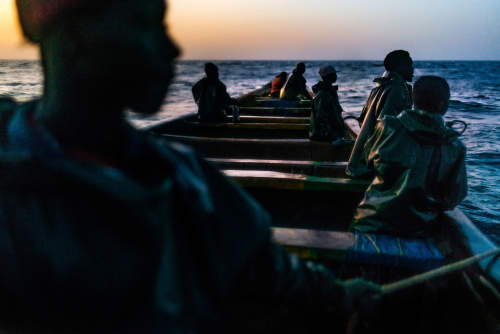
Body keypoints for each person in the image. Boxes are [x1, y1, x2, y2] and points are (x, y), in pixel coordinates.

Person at [1, 0, 379, 333]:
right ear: (72, 37)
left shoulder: (186, 178)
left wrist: (341, 297)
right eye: (145, 24)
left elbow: (273, 274)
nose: (171, 47)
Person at [350, 76, 467, 236]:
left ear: (413, 99)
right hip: (421, 229)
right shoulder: (455, 146)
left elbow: (368, 159)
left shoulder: (387, 126)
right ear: (443, 105)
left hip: (370, 221)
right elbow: (454, 197)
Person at [346, 50, 414, 178]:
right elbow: (388, 130)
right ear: (399, 67)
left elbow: (361, 120)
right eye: (410, 65)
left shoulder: (379, 87)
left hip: (359, 163)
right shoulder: (397, 90)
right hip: (372, 165)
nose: (413, 69)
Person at [309, 65, 345, 144]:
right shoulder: (323, 94)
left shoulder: (329, 91)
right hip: (323, 134)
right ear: (328, 77)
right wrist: (332, 135)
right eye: (334, 74)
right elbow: (321, 118)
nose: (336, 76)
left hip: (328, 133)